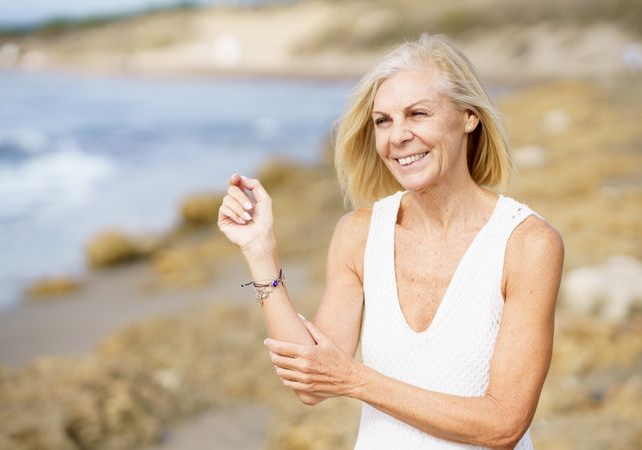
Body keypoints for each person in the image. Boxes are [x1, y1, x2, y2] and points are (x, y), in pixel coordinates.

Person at [217, 33, 563, 449]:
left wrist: (356, 379)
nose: (397, 136)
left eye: (417, 114)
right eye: (383, 120)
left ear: (468, 117)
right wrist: (260, 253)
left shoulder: (526, 243)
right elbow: (312, 384)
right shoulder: (358, 234)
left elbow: (503, 425)